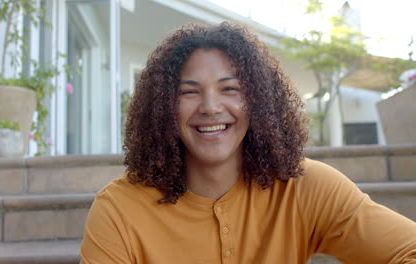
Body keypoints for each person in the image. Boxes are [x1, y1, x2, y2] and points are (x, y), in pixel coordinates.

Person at [80, 22, 416, 263]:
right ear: (163, 107)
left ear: (258, 101)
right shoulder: (119, 210)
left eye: (230, 89)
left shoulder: (304, 188)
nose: (210, 107)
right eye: (188, 91)